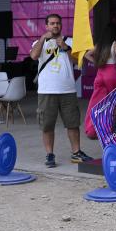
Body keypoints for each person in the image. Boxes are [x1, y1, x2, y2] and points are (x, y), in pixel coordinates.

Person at [30, 14, 92, 168]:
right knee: (47, 125)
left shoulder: (70, 41)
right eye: (52, 23)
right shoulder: (39, 42)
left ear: (61, 25)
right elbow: (34, 56)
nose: (55, 26)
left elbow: (78, 61)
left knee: (72, 123)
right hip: (46, 90)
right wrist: (43, 39)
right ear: (46, 26)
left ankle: (76, 153)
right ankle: (50, 154)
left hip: (67, 90)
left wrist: (65, 47)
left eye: (57, 23)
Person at [83, 24, 116, 139]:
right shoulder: (115, 44)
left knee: (96, 102)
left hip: (100, 73)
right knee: (113, 102)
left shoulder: (99, 45)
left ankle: (92, 130)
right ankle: (110, 129)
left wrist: (96, 62)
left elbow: (87, 54)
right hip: (112, 73)